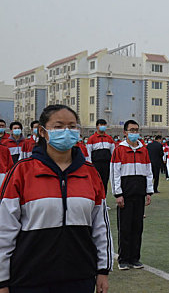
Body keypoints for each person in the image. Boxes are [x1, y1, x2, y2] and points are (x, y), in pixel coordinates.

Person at [0, 104, 111, 293]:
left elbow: (101, 226)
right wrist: (2, 281)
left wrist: (102, 270)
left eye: (72, 126)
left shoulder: (90, 173)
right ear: (42, 132)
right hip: (29, 279)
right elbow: (4, 229)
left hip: (80, 277)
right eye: (58, 127)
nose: (66, 132)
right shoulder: (22, 172)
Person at [110, 120, 153, 270]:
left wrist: (148, 191)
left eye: (136, 130)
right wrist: (118, 194)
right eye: (131, 130)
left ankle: (135, 258)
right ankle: (123, 259)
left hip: (139, 193)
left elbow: (148, 172)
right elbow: (115, 173)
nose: (134, 133)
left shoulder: (144, 150)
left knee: (137, 226)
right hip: (125, 194)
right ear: (125, 132)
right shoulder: (119, 150)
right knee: (125, 227)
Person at [87, 119, 115, 196]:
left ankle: (104, 201)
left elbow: (113, 152)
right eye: (101, 125)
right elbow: (88, 153)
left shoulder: (109, 138)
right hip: (96, 164)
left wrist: (113, 163)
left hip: (106, 164)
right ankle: (96, 200)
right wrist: (90, 164)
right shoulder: (91, 138)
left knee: (105, 182)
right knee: (96, 182)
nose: (103, 127)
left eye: (104, 125)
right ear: (97, 126)